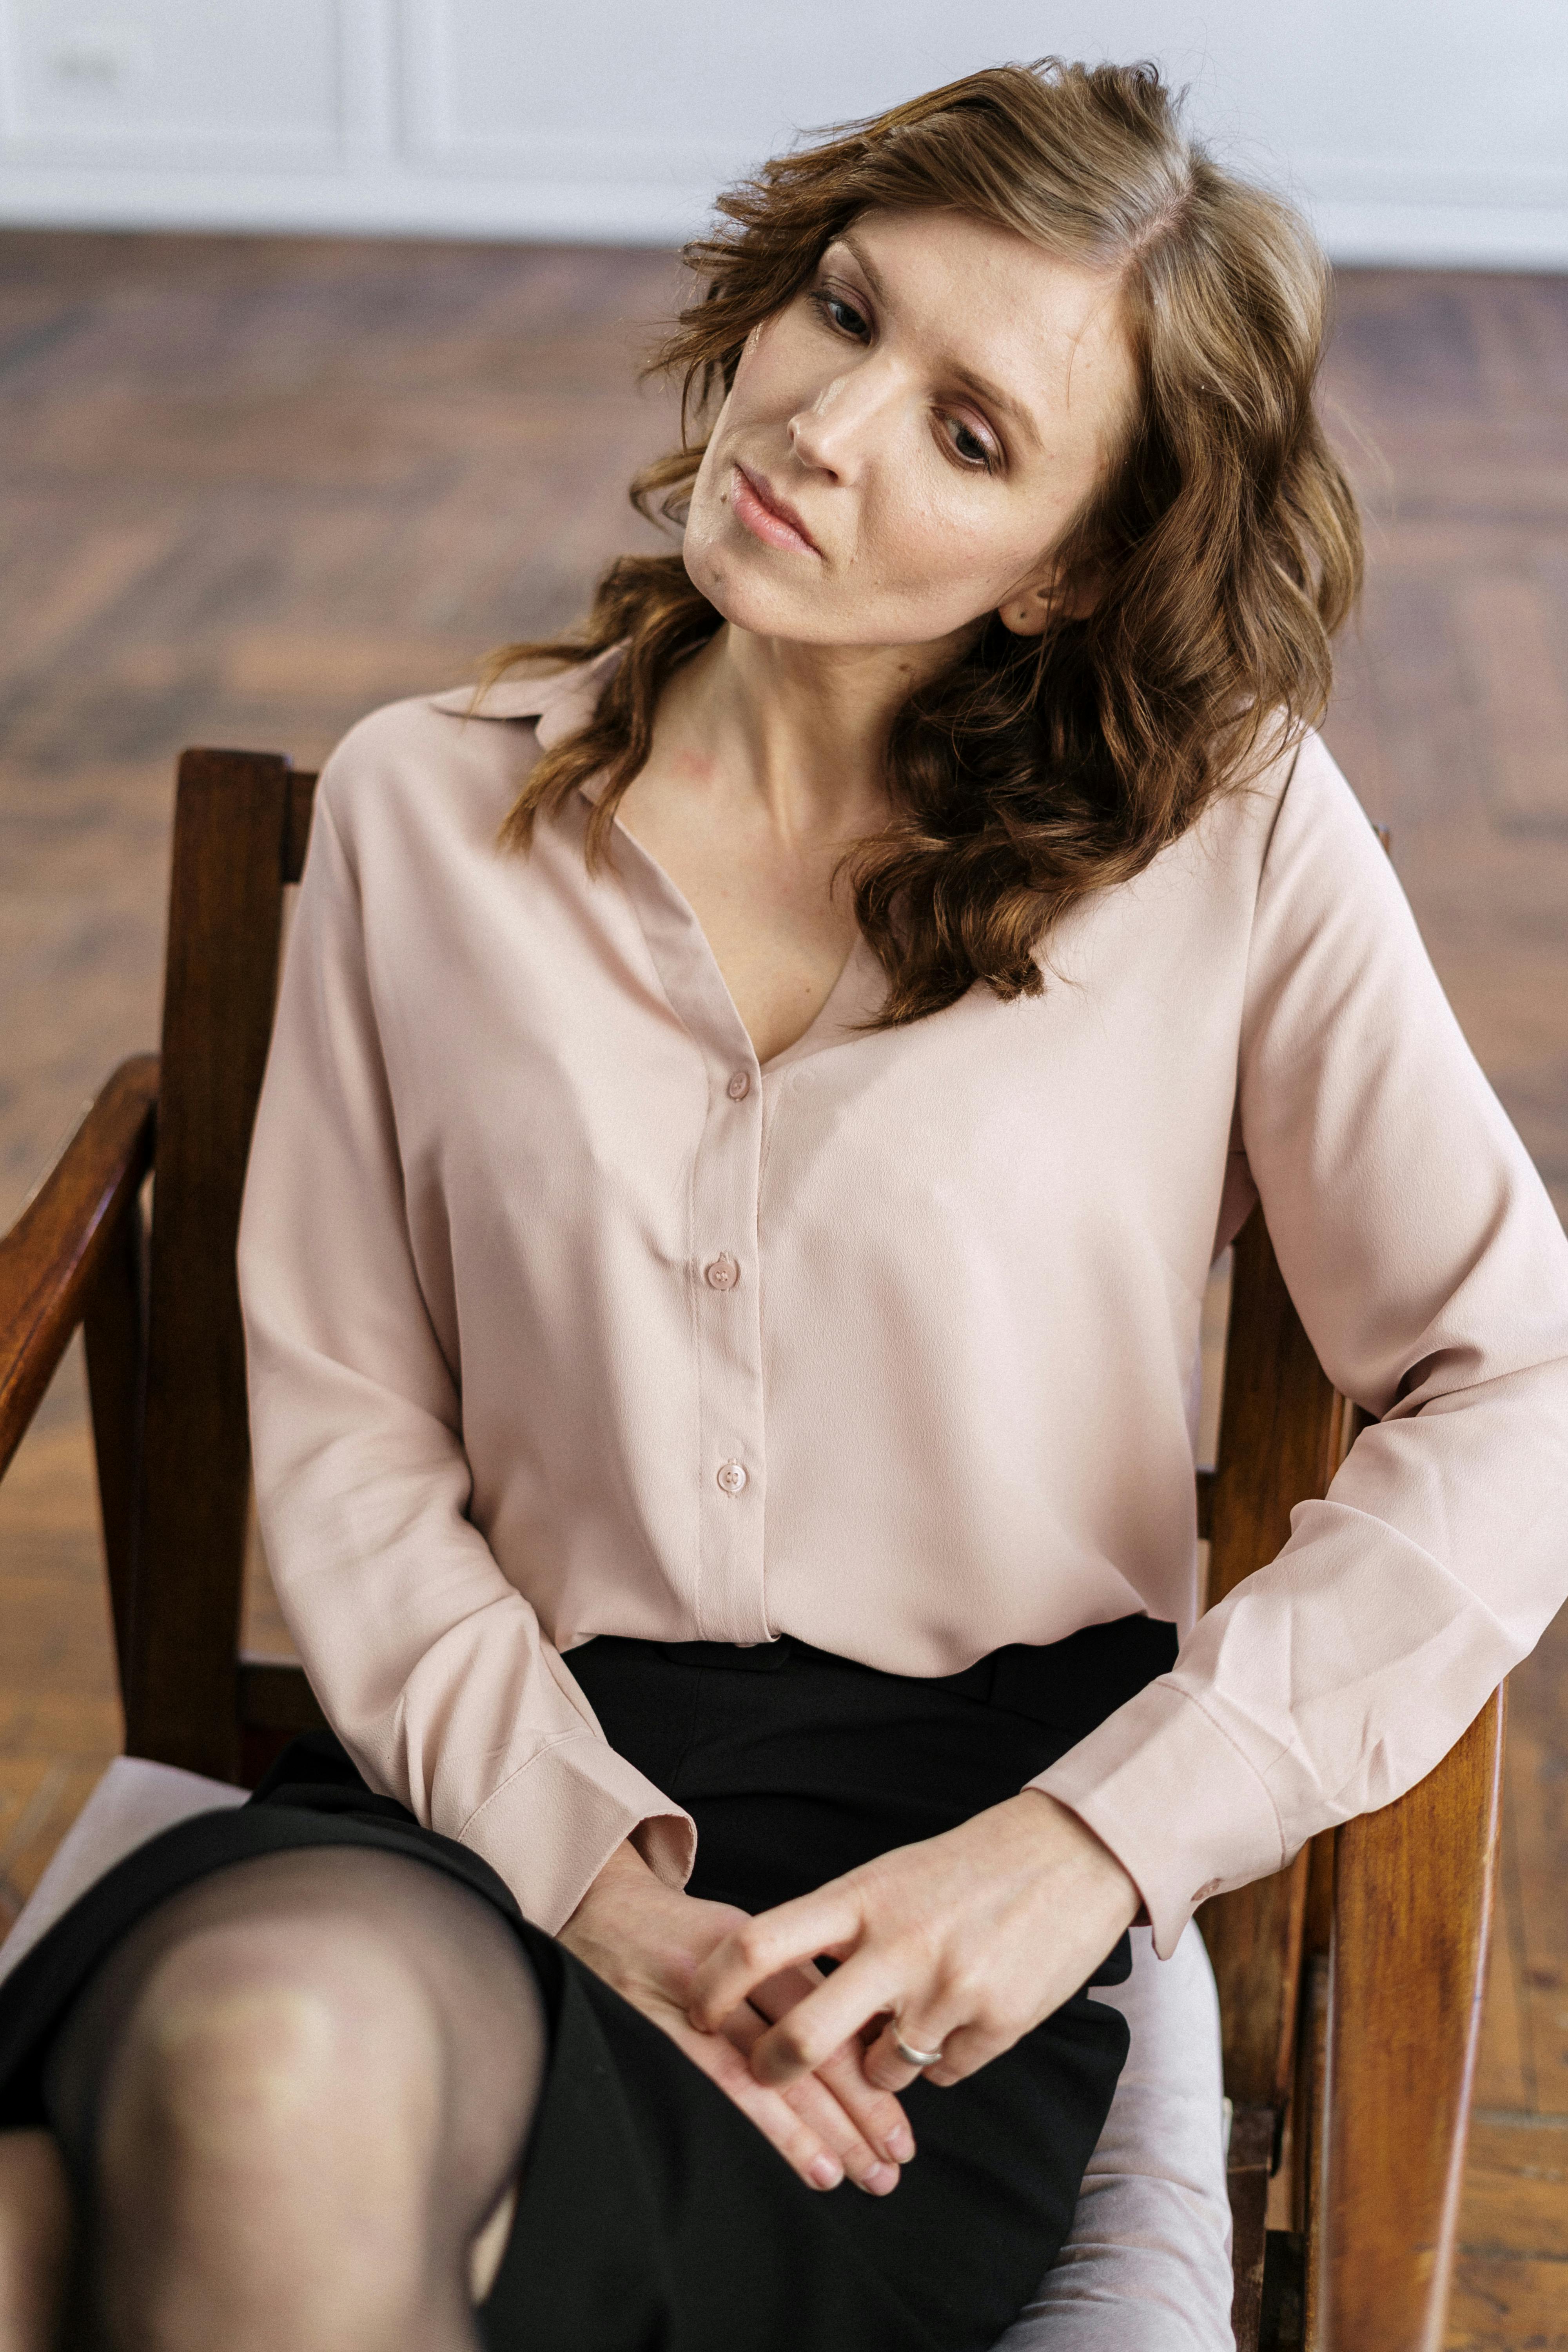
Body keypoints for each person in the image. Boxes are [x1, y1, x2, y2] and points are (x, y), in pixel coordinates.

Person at [2, 54, 1566, 2352]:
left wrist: (1102, 1845)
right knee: (272, 2050)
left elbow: (1519, 1382)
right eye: (844, 314)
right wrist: (588, 1869)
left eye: (970, 433)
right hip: (467, 1809)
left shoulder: (1231, 843)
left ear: (1079, 569)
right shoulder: (436, 819)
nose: (819, 426)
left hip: (932, 1929)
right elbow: (348, 1440)